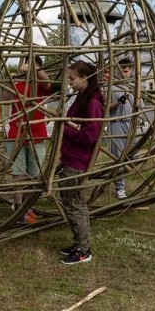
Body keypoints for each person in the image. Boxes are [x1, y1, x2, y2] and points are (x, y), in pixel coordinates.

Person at [58, 60, 104, 265]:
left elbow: (89, 135)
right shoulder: (83, 98)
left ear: (85, 78)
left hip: (78, 160)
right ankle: (79, 243)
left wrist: (66, 129)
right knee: (73, 200)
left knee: (74, 202)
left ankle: (83, 250)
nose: (69, 82)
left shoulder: (92, 103)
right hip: (71, 156)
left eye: (72, 78)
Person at [6, 56, 51, 224]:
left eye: (34, 66)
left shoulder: (39, 84)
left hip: (37, 136)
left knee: (34, 174)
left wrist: (35, 69)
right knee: (18, 174)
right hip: (15, 136)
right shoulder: (17, 84)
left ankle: (26, 206)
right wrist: (10, 81)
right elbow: (4, 99)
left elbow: (47, 83)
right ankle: (18, 209)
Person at [107, 57, 138, 199]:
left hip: (131, 123)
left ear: (130, 71)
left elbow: (139, 106)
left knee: (135, 153)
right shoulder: (112, 87)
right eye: (121, 71)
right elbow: (105, 108)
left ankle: (119, 174)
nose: (123, 74)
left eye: (126, 71)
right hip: (117, 123)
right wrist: (118, 103)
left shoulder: (134, 86)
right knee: (118, 156)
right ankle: (120, 188)